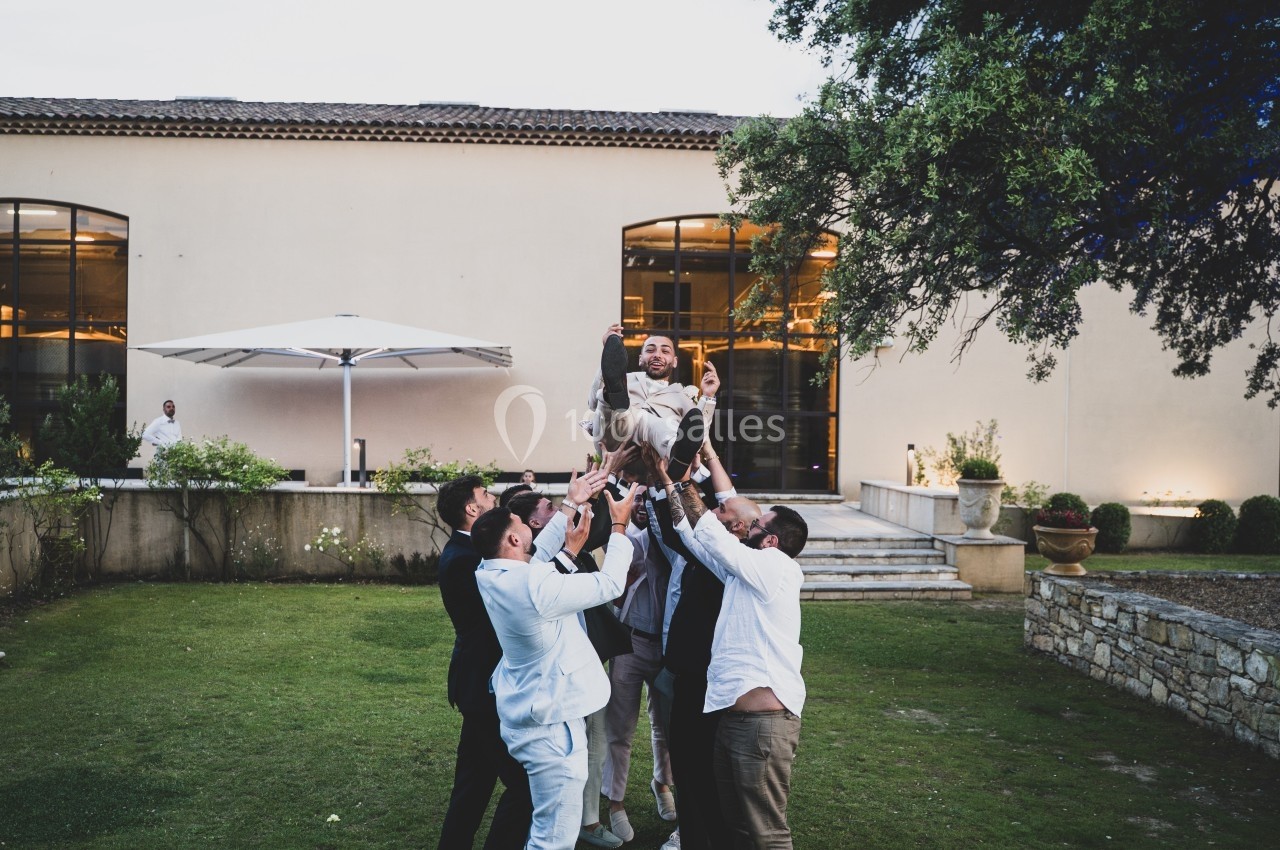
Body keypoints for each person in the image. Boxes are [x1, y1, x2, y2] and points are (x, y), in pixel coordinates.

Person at [471, 479, 639, 850]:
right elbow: (610, 583)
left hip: (529, 710)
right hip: (550, 729)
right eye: (521, 527)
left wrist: (570, 503)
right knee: (554, 838)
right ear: (515, 541)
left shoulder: (489, 571)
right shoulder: (535, 587)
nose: (531, 532)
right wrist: (619, 526)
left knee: (546, 826)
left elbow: (542, 558)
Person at [659, 462, 809, 850]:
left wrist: (680, 476)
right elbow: (696, 537)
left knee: (767, 832)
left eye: (757, 526)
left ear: (771, 541)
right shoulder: (743, 574)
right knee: (736, 829)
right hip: (733, 720)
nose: (745, 528)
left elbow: (713, 532)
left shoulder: (777, 567)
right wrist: (666, 483)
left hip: (764, 725)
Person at [434, 475, 531, 850]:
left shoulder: (471, 552)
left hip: (480, 685)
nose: (493, 499)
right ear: (472, 509)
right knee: (525, 786)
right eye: (486, 495)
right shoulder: (466, 559)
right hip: (483, 686)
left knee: (473, 785)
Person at [601, 498, 676, 844]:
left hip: (665, 647)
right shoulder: (622, 539)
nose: (643, 504)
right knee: (620, 728)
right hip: (629, 642)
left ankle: (662, 783)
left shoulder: (670, 539)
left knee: (665, 724)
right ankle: (616, 802)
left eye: (649, 497)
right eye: (637, 497)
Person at [587, 326, 719, 480]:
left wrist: (708, 397)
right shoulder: (625, 379)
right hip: (614, 446)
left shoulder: (681, 395)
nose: (657, 355)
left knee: (658, 424)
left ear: (674, 361)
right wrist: (608, 354)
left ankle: (676, 453)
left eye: (665, 351)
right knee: (614, 407)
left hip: (654, 460)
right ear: (640, 359)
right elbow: (592, 404)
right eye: (650, 350)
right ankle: (612, 397)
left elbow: (698, 432)